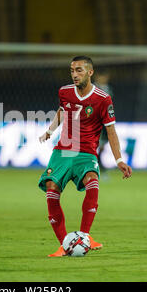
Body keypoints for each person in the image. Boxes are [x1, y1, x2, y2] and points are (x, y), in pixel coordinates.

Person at [38, 56, 132, 257]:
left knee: (93, 183)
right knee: (51, 189)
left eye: (79, 70)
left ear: (90, 72)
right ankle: (64, 245)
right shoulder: (64, 92)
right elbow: (62, 111)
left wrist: (119, 160)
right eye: (72, 70)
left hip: (87, 152)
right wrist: (49, 131)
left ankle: (84, 237)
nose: (74, 74)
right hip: (64, 150)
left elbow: (112, 132)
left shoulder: (103, 99)